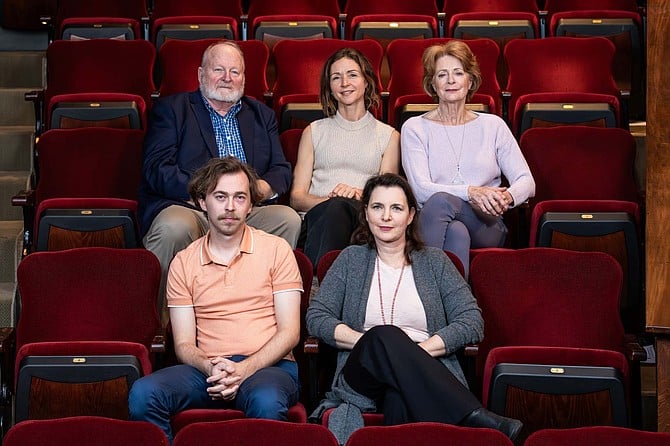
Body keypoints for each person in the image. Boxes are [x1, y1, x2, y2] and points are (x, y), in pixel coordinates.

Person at [306, 173, 523, 445]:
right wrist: (374, 346)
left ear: (410, 216)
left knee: (400, 399)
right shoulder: (350, 259)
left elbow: (471, 321)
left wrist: (407, 355)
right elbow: (316, 318)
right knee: (384, 335)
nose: (386, 217)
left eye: (396, 208)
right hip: (360, 372)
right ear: (366, 213)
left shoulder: (436, 261)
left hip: (422, 370)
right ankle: (474, 417)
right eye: (377, 207)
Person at [129, 157, 303, 443]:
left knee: (267, 401)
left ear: (250, 205)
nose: (230, 207)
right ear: (201, 202)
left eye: (240, 197)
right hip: (207, 370)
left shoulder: (276, 249)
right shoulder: (183, 261)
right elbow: (184, 344)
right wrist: (212, 368)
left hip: (269, 367)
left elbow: (290, 333)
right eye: (220, 197)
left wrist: (244, 369)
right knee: (143, 394)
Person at [139, 40, 301, 323]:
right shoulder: (173, 110)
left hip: (246, 209)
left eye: (235, 72)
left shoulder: (261, 115)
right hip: (191, 207)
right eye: (219, 70)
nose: (227, 78)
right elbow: (157, 168)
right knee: (172, 227)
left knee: (288, 218)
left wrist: (256, 192)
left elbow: (281, 169)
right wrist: (208, 197)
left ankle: (260, 316)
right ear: (201, 75)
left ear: (244, 78)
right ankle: (160, 326)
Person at [401, 40, 535, 277]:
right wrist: (472, 192)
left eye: (458, 73)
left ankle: (415, 289)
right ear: (432, 84)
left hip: (487, 224)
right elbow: (421, 191)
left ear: (470, 80)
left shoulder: (493, 125)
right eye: (442, 75)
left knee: (443, 202)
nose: (451, 80)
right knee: (456, 232)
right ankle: (457, 310)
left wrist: (505, 197)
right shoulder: (415, 128)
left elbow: (527, 182)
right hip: (435, 220)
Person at [290, 47, 400, 269]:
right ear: (329, 88)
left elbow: (387, 197)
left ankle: (319, 291)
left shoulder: (388, 135)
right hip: (318, 220)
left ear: (366, 81)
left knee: (340, 210)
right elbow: (297, 198)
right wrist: (332, 202)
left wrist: (359, 195)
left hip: (364, 220)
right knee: (334, 210)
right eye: (336, 77)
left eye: (352, 75)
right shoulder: (314, 131)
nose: (344, 83)